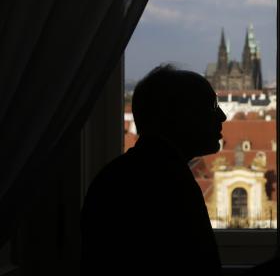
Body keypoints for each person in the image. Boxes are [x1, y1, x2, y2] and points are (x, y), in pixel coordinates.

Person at [81, 64, 226, 275]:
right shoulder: (168, 183)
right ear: (179, 115)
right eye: (211, 106)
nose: (222, 116)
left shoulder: (123, 173)